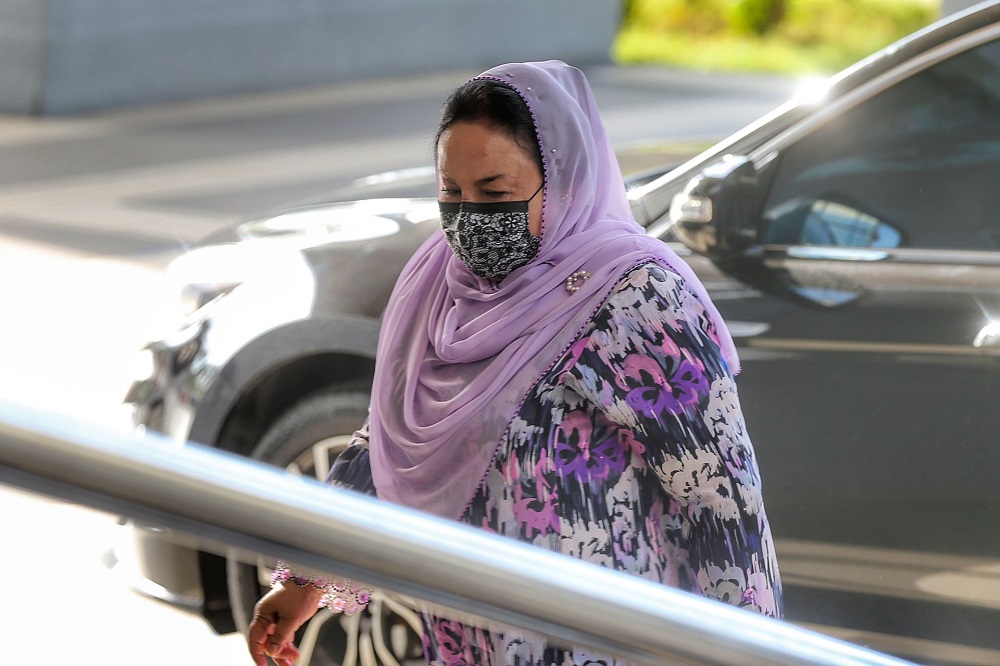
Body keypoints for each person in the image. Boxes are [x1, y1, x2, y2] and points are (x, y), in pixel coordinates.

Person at [248, 60, 783, 666]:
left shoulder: (633, 296)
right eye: (452, 191)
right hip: (465, 635)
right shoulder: (437, 288)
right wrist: (303, 583)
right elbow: (389, 439)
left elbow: (718, 497)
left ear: (564, 182)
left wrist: (745, 650)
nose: (470, 215)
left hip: (595, 643)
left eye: (496, 194)